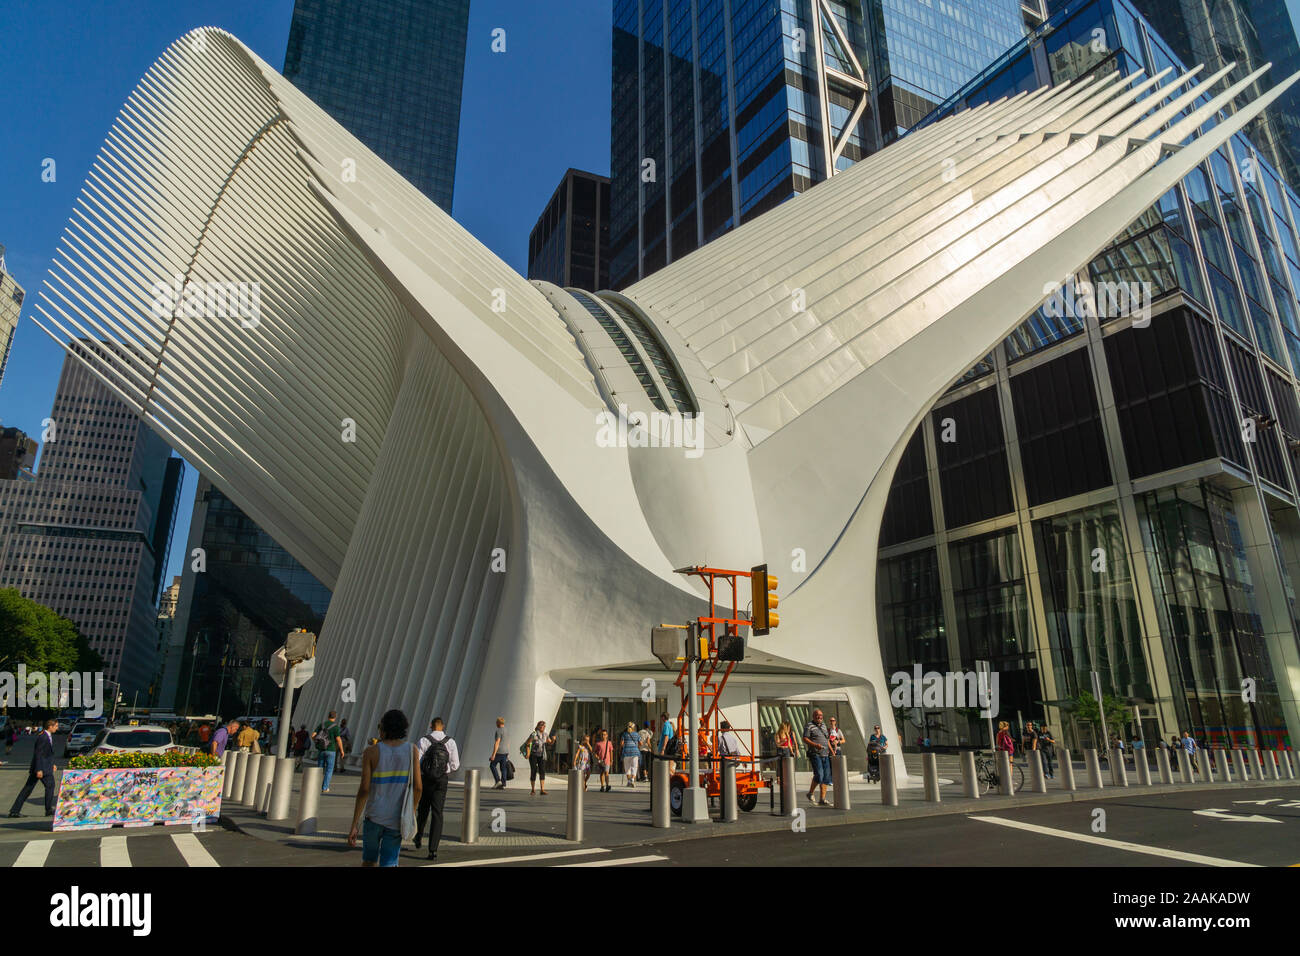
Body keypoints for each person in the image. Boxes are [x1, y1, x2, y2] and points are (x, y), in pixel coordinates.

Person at [347, 709, 419, 868]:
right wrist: (411, 811)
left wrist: (355, 824)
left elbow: (364, 789)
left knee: (369, 860)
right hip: (396, 819)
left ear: (384, 728)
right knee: (389, 862)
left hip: (373, 817)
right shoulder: (411, 750)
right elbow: (418, 787)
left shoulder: (371, 752)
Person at [414, 718, 459, 860]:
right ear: (442, 726)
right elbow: (455, 765)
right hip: (441, 780)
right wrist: (443, 770)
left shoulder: (424, 740)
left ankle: (419, 836)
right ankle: (433, 850)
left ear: (431, 726)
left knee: (423, 809)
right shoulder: (450, 742)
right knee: (437, 813)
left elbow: (418, 761)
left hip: (426, 779)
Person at [8, 719, 59, 817]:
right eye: (56, 726)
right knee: (50, 786)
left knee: (27, 789)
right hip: (42, 769)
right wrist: (39, 769)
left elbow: (46, 754)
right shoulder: (43, 737)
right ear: (50, 726)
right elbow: (38, 754)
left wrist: (52, 764)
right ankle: (48, 810)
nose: (57, 728)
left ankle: (14, 811)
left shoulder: (47, 736)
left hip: (43, 766)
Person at [803, 709, 833, 806]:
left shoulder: (824, 726)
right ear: (813, 716)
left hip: (825, 754)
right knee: (819, 775)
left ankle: (822, 799)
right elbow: (805, 738)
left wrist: (832, 751)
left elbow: (827, 740)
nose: (819, 716)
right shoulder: (809, 725)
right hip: (815, 753)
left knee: (826, 777)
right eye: (817, 715)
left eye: (821, 715)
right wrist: (815, 745)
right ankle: (810, 793)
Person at [315, 711, 346, 793]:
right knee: (329, 770)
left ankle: (316, 786)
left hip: (321, 750)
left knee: (319, 769)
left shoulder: (321, 725)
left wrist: (317, 744)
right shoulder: (335, 727)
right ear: (335, 717)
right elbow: (338, 739)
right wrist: (342, 750)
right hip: (331, 750)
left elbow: (313, 735)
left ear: (328, 716)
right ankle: (325, 788)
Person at [526, 721, 555, 796]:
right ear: (538, 726)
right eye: (541, 726)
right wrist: (528, 753)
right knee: (533, 771)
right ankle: (533, 789)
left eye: (544, 726)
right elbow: (527, 743)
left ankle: (542, 789)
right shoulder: (534, 734)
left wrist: (553, 740)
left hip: (542, 755)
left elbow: (550, 743)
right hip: (533, 755)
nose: (543, 727)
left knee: (542, 771)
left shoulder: (545, 734)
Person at [489, 717, 510, 789]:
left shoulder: (498, 731)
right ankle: (503, 784)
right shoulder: (507, 730)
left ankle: (498, 781)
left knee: (492, 765)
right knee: (503, 768)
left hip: (499, 752)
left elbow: (497, 742)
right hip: (506, 752)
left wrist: (493, 754)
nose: (496, 724)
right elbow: (507, 742)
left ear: (498, 723)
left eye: (496, 722)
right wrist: (508, 753)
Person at [619, 722, 641, 788]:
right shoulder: (637, 734)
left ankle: (629, 781)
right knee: (634, 767)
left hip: (626, 752)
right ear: (634, 727)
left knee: (627, 767)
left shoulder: (624, 734)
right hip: (635, 752)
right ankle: (632, 780)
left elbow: (621, 744)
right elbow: (641, 743)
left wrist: (623, 748)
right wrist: (637, 747)